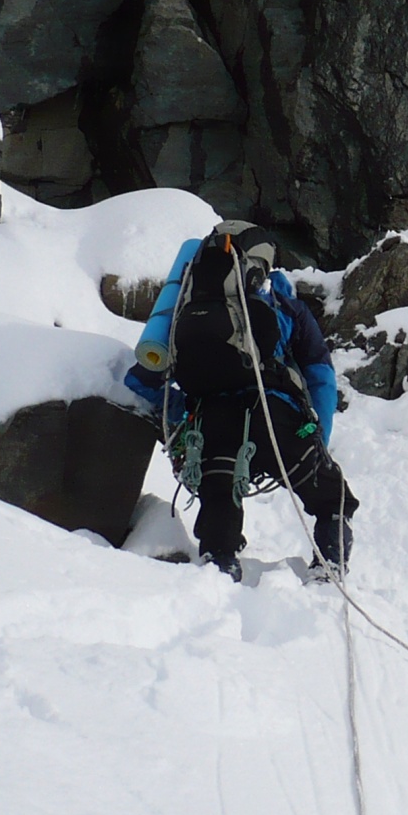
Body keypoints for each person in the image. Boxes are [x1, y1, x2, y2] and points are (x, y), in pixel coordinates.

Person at [125, 221, 357, 582]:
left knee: (219, 497)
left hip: (211, 422)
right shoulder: (285, 307)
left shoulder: (184, 311)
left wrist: (184, 421)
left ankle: (220, 567)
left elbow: (142, 380)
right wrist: (318, 439)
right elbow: (319, 374)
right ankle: (330, 569)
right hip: (276, 417)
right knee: (333, 499)